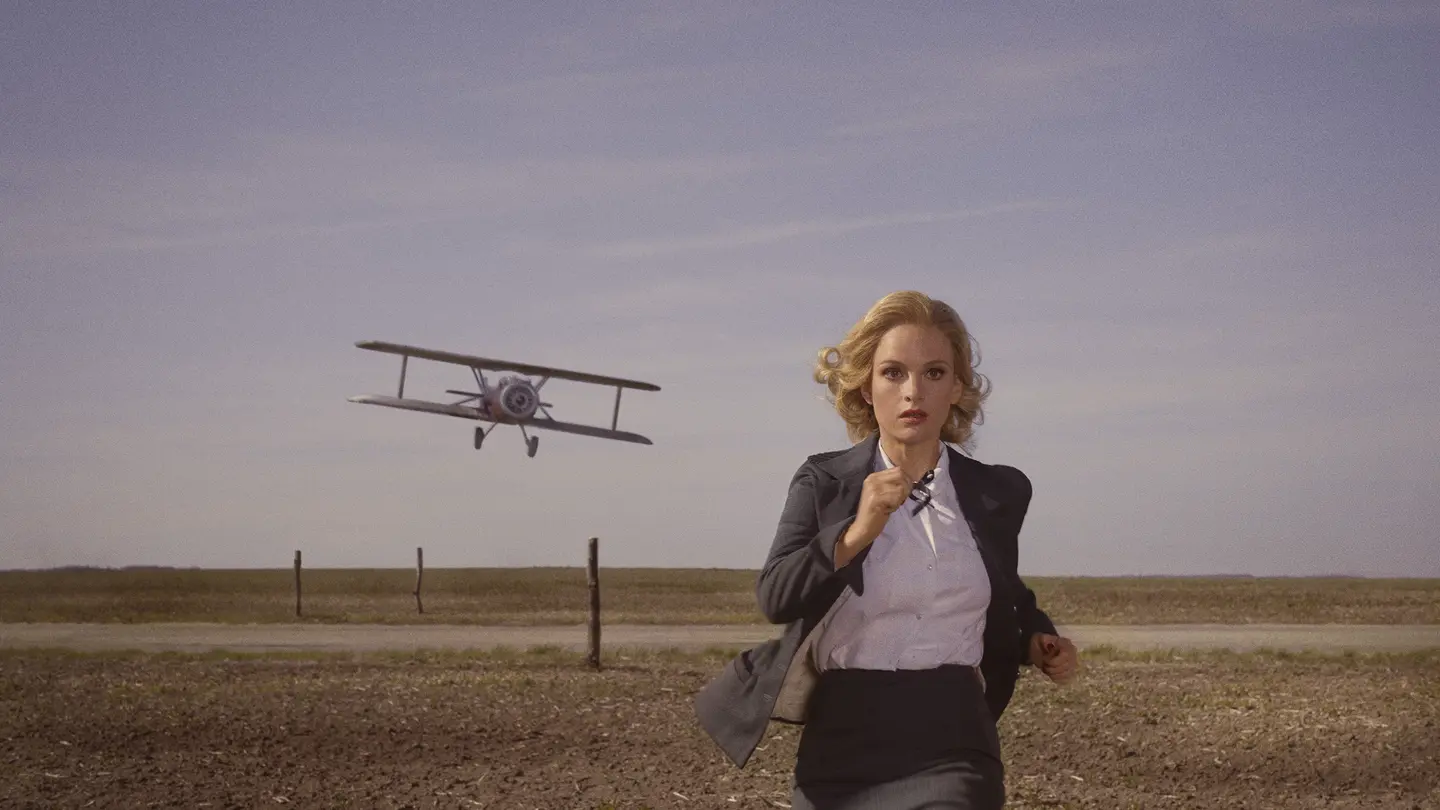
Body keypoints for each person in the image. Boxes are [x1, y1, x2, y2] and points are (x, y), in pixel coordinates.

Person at [694, 290, 1078, 809]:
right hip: (843, 734)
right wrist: (855, 534)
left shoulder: (999, 492)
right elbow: (776, 597)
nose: (913, 391)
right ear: (866, 387)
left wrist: (1037, 638)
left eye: (934, 373)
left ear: (957, 388)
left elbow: (1003, 590)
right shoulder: (824, 481)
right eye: (893, 373)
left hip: (954, 729)